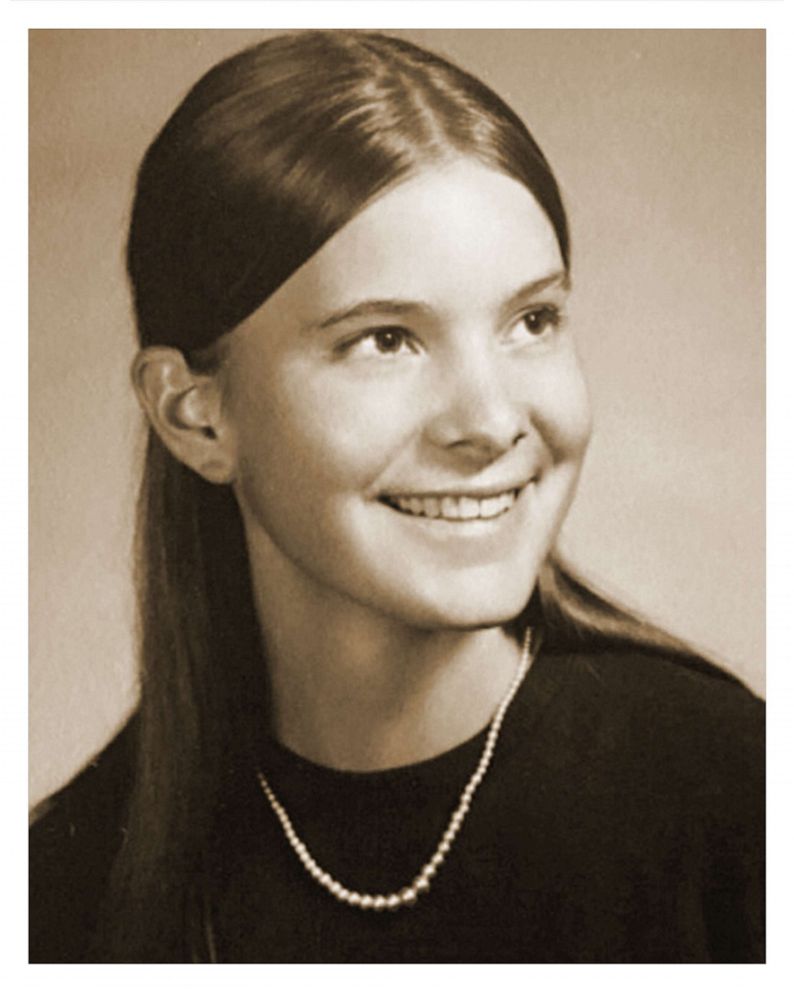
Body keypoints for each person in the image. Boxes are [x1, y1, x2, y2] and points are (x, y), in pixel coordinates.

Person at [28, 30, 764, 964]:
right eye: (385, 340)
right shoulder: (65, 894)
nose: (491, 421)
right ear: (195, 417)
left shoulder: (739, 804)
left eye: (531, 321)